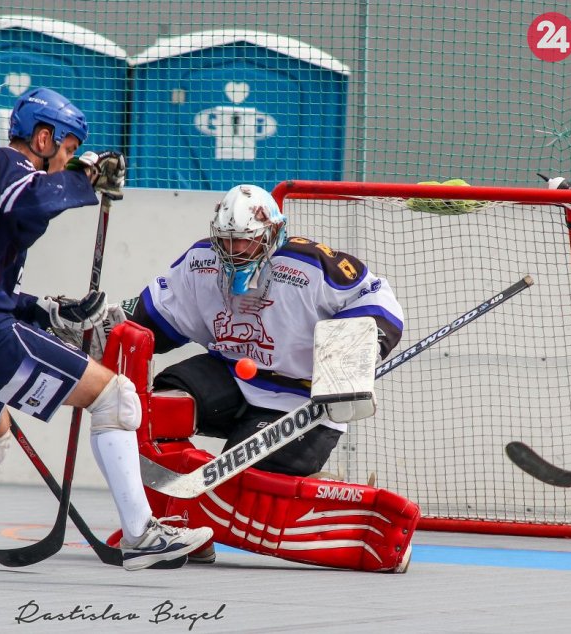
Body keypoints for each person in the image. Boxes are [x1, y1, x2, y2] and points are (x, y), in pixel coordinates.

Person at [0, 86, 212, 576]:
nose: (67, 159)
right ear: (42, 138)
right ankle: (142, 535)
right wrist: (86, 177)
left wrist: (48, 312)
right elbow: (31, 201)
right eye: (68, 148)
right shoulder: (9, 164)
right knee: (116, 397)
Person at [51, 183, 406, 564]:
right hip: (232, 375)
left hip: (301, 398)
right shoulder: (201, 261)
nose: (235, 250)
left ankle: (311, 489)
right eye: (227, 240)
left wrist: (356, 350)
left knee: (241, 486)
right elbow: (154, 319)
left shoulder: (311, 265)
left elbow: (377, 299)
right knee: (152, 409)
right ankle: (168, 520)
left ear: (273, 233)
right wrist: (101, 327)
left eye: (246, 242)